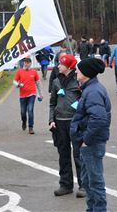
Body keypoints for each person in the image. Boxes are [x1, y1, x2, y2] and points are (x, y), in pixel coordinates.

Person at [70, 58, 111, 212]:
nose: (75, 71)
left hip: (91, 144)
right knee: (88, 182)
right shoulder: (89, 88)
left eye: (78, 70)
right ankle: (92, 209)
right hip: (88, 144)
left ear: (86, 74)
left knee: (95, 182)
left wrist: (86, 139)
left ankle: (99, 209)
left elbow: (99, 118)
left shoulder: (93, 91)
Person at [49, 54, 85, 198]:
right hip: (59, 122)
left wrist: (77, 108)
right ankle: (65, 184)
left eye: (61, 64)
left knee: (78, 155)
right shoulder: (56, 82)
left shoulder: (78, 81)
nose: (58, 66)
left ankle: (83, 185)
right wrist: (51, 120)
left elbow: (84, 100)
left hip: (74, 122)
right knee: (63, 155)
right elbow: (52, 103)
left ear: (69, 66)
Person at [13, 57, 44, 134]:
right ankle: (24, 121)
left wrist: (41, 94)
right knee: (23, 112)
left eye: (28, 63)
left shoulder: (34, 72)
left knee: (30, 110)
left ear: (30, 63)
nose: (26, 64)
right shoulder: (19, 72)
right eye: (25, 63)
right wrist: (18, 85)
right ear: (23, 63)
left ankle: (31, 127)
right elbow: (14, 81)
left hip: (32, 94)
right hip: (22, 95)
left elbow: (38, 83)